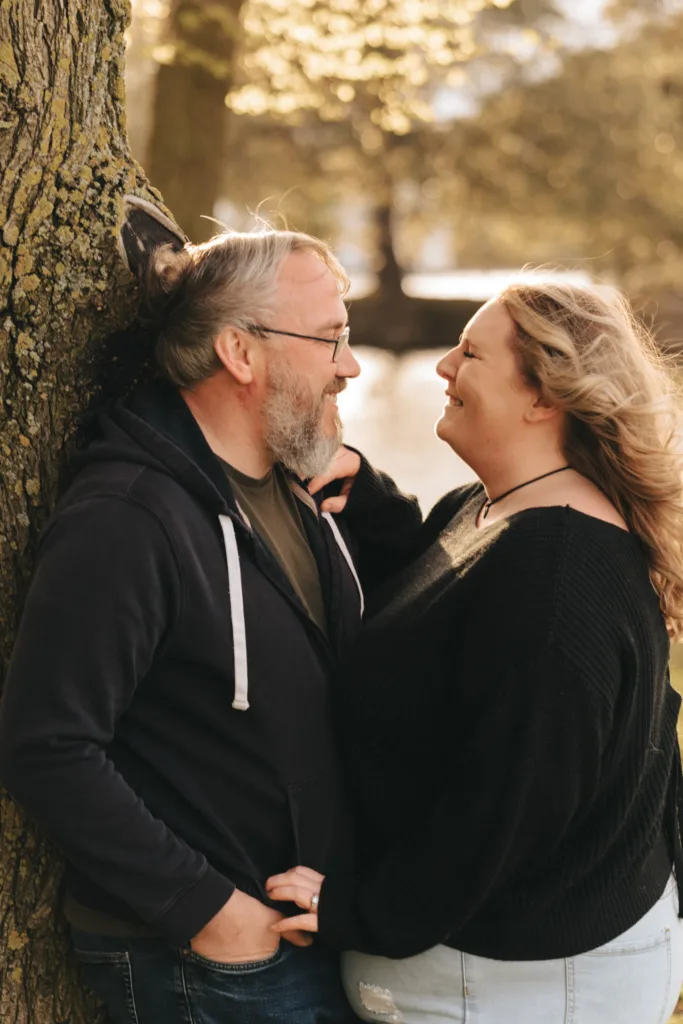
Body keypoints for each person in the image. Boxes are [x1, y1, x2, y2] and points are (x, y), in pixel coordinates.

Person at [267, 283, 683, 1023]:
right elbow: (437, 619)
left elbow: (511, 799)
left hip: (524, 985)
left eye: (471, 353)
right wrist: (370, 500)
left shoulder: (555, 574)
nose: (443, 368)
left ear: (541, 399)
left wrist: (363, 913)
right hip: (508, 963)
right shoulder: (496, 507)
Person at [0, 229, 372, 1024]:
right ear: (240, 352)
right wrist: (208, 908)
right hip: (203, 957)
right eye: (331, 337)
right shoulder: (128, 517)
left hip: (296, 934)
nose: (350, 364)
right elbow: (47, 742)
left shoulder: (294, 487)